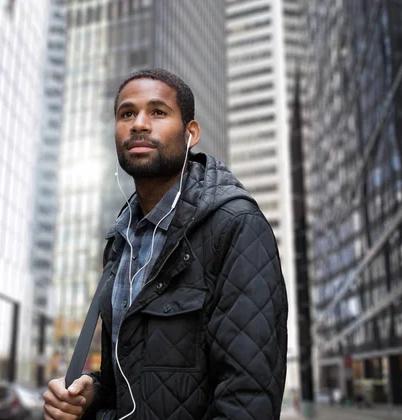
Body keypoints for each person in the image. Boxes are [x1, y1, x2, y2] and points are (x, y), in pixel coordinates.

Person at [43, 68, 288, 419]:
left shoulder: (234, 226)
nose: (139, 124)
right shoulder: (120, 243)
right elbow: (129, 380)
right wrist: (91, 396)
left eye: (158, 112)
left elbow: (248, 401)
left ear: (191, 133)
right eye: (127, 113)